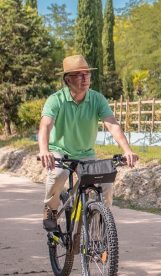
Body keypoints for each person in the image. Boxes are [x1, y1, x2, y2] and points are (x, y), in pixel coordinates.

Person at [38, 54, 138, 230]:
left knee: (105, 183)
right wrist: (44, 150)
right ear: (68, 80)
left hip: (86, 153)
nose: (85, 78)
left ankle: (101, 224)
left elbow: (112, 125)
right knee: (59, 174)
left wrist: (127, 150)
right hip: (60, 151)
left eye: (87, 74)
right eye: (79, 75)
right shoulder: (55, 100)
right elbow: (45, 126)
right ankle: (51, 209)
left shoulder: (97, 99)